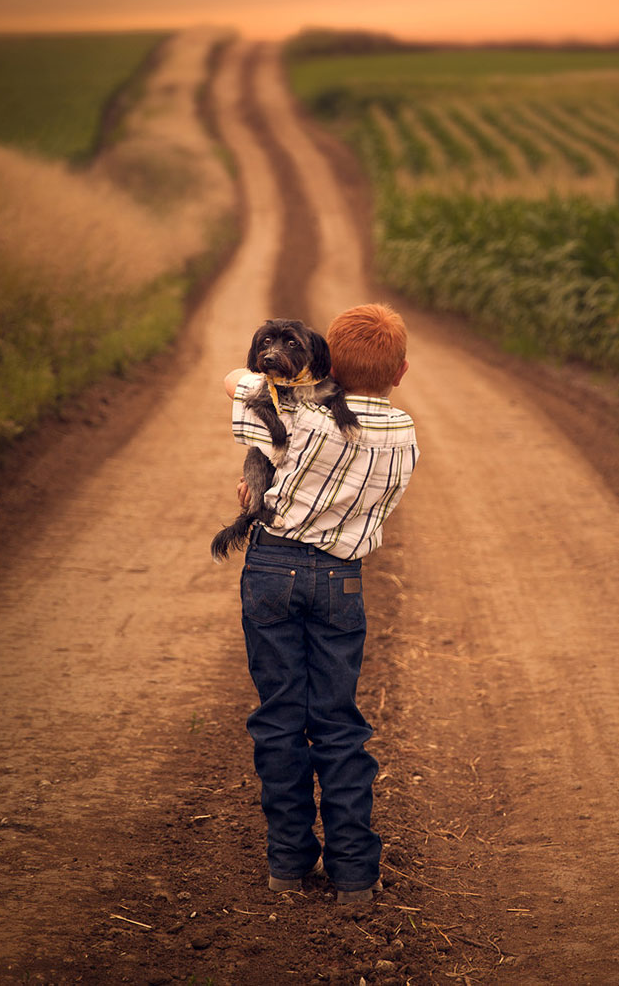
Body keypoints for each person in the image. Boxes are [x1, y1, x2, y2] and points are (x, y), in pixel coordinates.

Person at [223, 303, 418, 905]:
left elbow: (237, 383)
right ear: (401, 371)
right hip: (341, 580)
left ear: (323, 361)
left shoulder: (297, 415)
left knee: (280, 716)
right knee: (338, 723)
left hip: (272, 568)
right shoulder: (404, 431)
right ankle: (355, 873)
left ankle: (288, 864)